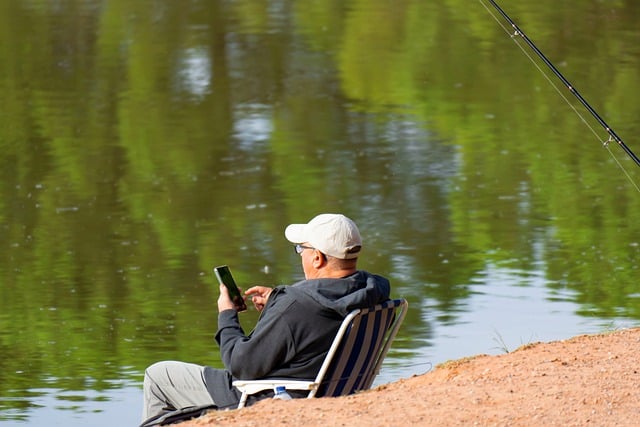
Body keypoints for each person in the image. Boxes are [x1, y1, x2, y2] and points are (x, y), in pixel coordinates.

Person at [141, 213, 391, 425]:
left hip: (273, 395)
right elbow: (312, 320)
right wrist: (276, 302)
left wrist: (227, 314)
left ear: (318, 257)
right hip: (332, 389)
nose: (300, 255)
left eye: (300, 249)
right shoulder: (372, 292)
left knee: (158, 376)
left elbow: (241, 366)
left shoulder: (298, 306)